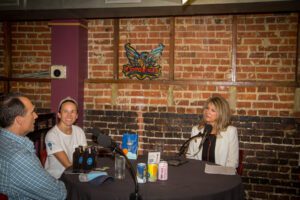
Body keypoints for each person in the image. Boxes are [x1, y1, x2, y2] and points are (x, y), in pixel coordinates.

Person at [0, 93, 66, 199]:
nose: (36, 116)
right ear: (19, 120)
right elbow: (58, 194)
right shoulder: (20, 157)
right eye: (32, 112)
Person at [186, 96, 239, 168]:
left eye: (213, 110)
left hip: (221, 175)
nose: (207, 112)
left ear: (221, 113)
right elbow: (189, 156)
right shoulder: (196, 130)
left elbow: (233, 163)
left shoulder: (230, 131)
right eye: (207, 108)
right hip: (199, 173)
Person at [45, 97, 87, 179]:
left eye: (72, 112)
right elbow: (67, 165)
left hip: (72, 176)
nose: (69, 115)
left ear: (77, 116)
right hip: (55, 179)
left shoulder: (79, 131)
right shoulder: (52, 135)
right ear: (59, 114)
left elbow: (84, 157)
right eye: (65, 111)